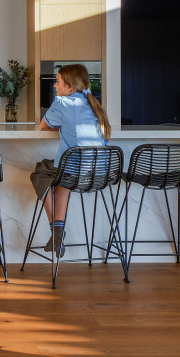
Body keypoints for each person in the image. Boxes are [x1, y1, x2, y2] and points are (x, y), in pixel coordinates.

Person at [30, 63, 111, 257]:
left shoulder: (62, 102)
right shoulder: (94, 104)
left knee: (41, 173)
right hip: (100, 174)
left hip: (74, 173)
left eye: (57, 82)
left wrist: (64, 126)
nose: (54, 86)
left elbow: (43, 126)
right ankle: (58, 232)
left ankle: (56, 231)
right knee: (61, 174)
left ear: (70, 88)